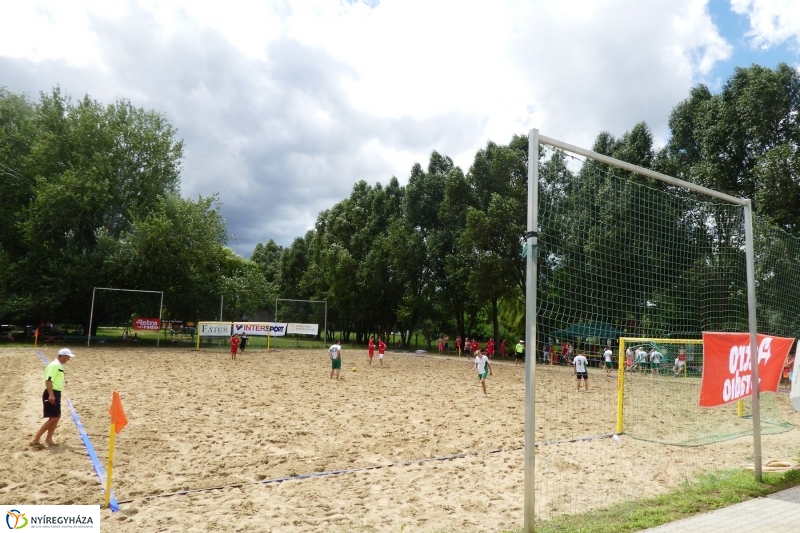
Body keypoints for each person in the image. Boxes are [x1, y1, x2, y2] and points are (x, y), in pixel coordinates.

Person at [31, 348, 75, 447]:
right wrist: (51, 394)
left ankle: (49, 438)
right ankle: (36, 438)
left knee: (56, 416)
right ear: (63, 356)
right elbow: (48, 380)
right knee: (55, 417)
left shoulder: (58, 365)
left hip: (55, 392)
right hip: (52, 392)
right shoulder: (55, 366)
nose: (69, 359)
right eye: (68, 357)